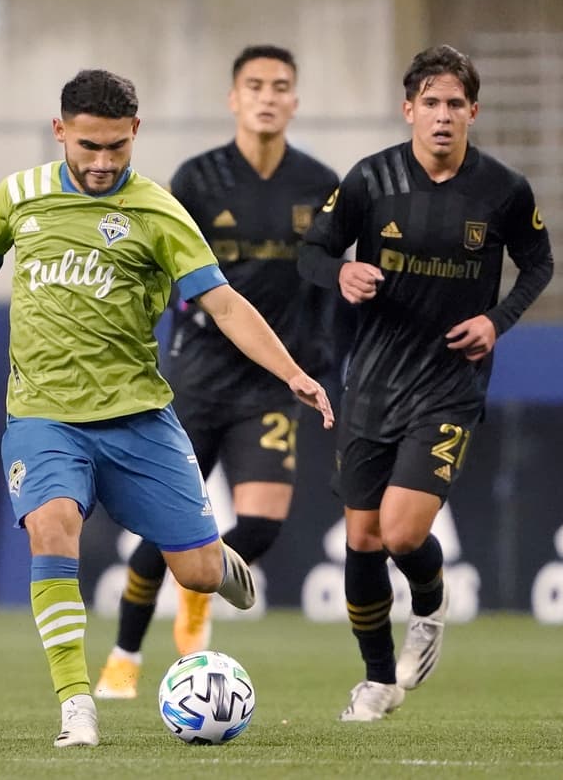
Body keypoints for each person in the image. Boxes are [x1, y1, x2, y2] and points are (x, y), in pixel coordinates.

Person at [0, 69, 334, 747]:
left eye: (117, 146)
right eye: (89, 145)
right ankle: (76, 702)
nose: (102, 161)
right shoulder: (19, 195)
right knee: (52, 526)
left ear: (135, 133)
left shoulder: (160, 211)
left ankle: (219, 562)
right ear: (61, 131)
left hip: (139, 418)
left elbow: (223, 301)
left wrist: (291, 371)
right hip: (44, 417)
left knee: (197, 571)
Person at [298, 45, 554, 721]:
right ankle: (378, 680)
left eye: (455, 104)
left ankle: (431, 607)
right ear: (408, 109)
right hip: (373, 381)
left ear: (473, 110)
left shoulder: (504, 189)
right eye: (430, 103)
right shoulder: (369, 180)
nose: (442, 116)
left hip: (448, 382)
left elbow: (538, 264)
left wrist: (498, 320)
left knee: (403, 532)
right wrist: (341, 274)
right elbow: (313, 250)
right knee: (361, 538)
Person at [93, 45, 340, 701]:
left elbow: (329, 279)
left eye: (280, 85)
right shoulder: (197, 179)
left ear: (294, 100)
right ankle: (123, 652)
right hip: (195, 379)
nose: (267, 95)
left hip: (270, 381)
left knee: (259, 526)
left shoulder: (321, 186)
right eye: (254, 84)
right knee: (165, 526)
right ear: (234, 98)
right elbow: (160, 265)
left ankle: (198, 590)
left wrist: (316, 356)